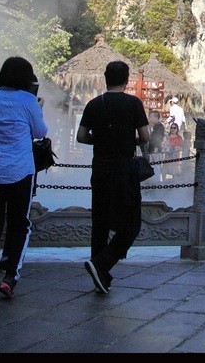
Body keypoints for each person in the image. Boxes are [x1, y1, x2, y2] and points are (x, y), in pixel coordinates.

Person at [0, 57, 48, 302]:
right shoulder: (28, 100)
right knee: (19, 225)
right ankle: (9, 277)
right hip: (19, 171)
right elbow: (39, 132)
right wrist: (38, 107)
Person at [77, 61, 151, 295]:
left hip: (99, 168)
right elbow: (146, 136)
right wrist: (132, 141)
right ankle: (102, 264)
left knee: (100, 221)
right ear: (126, 80)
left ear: (105, 78)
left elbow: (81, 136)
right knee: (131, 223)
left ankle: (101, 275)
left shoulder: (94, 104)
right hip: (123, 170)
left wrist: (98, 140)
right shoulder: (133, 104)